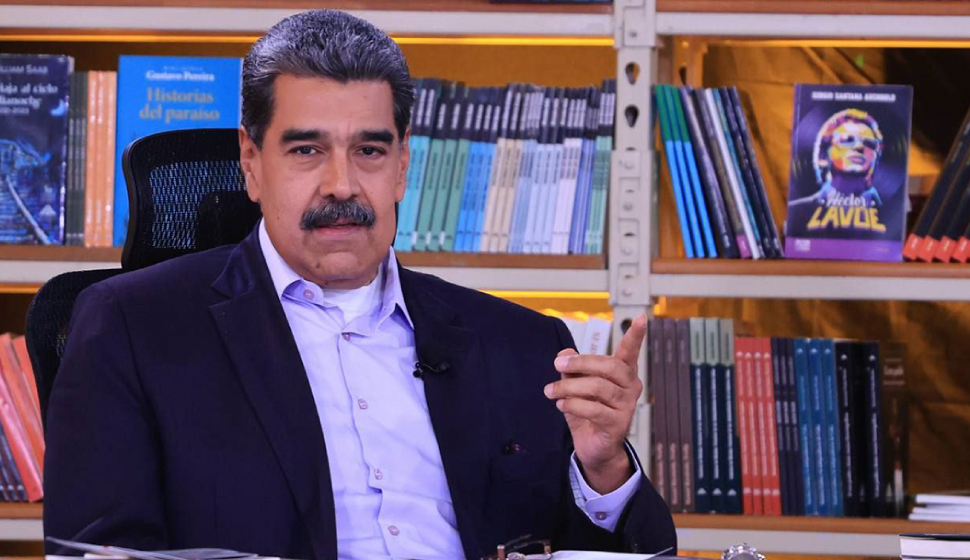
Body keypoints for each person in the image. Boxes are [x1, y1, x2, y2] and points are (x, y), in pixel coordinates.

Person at [44, 10, 675, 560]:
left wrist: (602, 471)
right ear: (251, 163)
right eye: (307, 151)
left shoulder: (525, 346)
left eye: (369, 151)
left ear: (402, 166)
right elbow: (99, 551)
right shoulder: (132, 328)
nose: (341, 184)